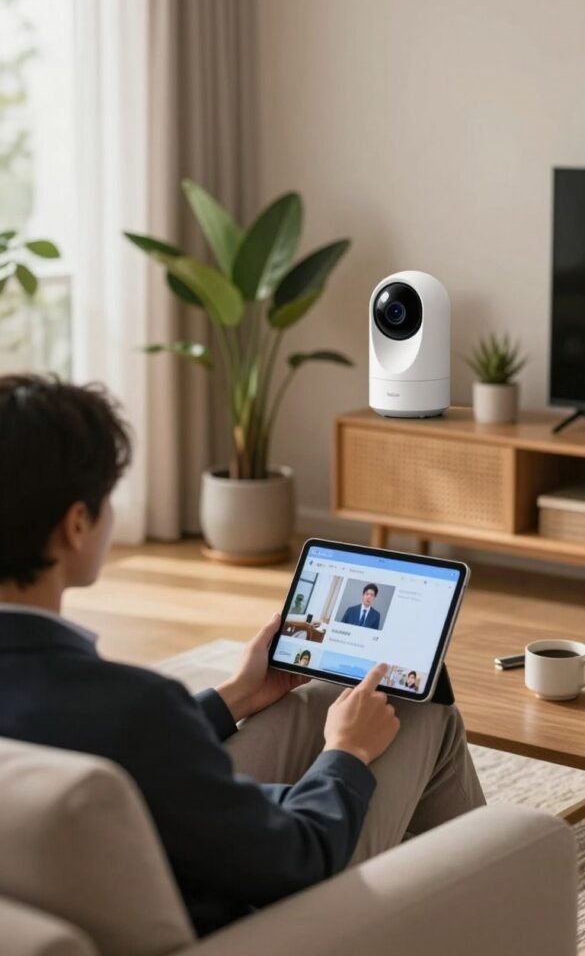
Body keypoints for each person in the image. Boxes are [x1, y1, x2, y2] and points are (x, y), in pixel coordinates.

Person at [0, 376, 485, 938]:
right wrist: (347, 753)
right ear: (77, 524)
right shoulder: (135, 707)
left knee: (334, 696)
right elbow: (300, 858)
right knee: (420, 709)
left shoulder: (111, 707)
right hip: (257, 918)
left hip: (125, 859)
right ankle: (497, 884)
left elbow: (107, 738)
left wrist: (238, 695)